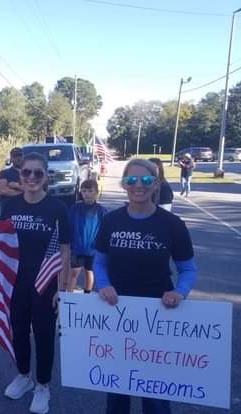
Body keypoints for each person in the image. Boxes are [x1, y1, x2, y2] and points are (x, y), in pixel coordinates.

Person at [94, 158, 197, 414]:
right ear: (124, 185)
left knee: (156, 396)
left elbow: (188, 269)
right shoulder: (111, 221)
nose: (138, 185)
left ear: (156, 184)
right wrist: (103, 286)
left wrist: (179, 292)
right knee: (117, 391)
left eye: (146, 180)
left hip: (158, 317)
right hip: (116, 314)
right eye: (131, 180)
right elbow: (99, 263)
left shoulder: (172, 225)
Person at [0, 152, 71, 414]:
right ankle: (23, 376)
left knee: (43, 334)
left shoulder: (57, 209)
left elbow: (64, 249)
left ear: (45, 177)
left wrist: (62, 288)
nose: (31, 177)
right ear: (20, 174)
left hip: (45, 281)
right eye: (26, 172)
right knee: (18, 330)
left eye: (37, 173)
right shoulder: (11, 206)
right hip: (15, 280)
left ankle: (42, 386)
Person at [66, 179, 106, 293]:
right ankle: (68, 294)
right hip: (78, 247)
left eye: (90, 191)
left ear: (96, 192)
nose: (87, 194)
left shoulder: (101, 211)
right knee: (74, 272)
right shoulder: (75, 208)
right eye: (84, 191)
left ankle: (87, 294)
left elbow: (105, 230)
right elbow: (68, 225)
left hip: (93, 248)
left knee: (89, 271)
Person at [0, 147, 24, 214]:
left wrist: (15, 186)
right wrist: (25, 193)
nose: (18, 158)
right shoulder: (4, 173)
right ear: (11, 159)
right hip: (9, 212)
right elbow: (3, 190)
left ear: (23, 157)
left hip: (27, 211)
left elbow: (36, 188)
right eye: (15, 156)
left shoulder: (30, 173)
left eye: (19, 155)